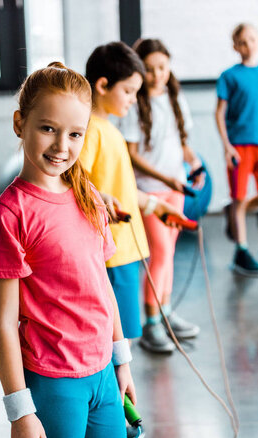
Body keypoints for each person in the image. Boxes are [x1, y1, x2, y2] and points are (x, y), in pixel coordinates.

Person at [0, 62, 137, 438]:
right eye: (48, 128)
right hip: (53, 386)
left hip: (102, 381)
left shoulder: (88, 197)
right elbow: (3, 322)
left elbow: (103, 287)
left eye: (74, 133)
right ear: (20, 122)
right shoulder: (9, 215)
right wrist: (20, 411)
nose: (61, 145)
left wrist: (123, 360)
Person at [80, 40, 186, 360]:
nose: (133, 99)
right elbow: (75, 184)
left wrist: (155, 206)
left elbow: (122, 189)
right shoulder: (90, 131)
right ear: (102, 85)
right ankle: (116, 407)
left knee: (123, 342)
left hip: (126, 249)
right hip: (111, 254)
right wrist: (99, 200)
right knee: (116, 344)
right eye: (128, 91)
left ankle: (119, 400)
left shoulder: (109, 130)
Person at [118, 38, 201, 353]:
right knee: (161, 253)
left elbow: (182, 145)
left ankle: (166, 313)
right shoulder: (134, 105)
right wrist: (164, 177)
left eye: (162, 67)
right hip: (150, 193)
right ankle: (151, 322)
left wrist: (194, 165)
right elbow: (132, 154)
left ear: (169, 66)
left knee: (170, 254)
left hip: (176, 188)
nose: (156, 75)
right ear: (140, 71)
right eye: (149, 69)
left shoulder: (175, 98)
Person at [215, 23, 258, 277]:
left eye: (252, 39)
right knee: (240, 197)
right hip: (240, 146)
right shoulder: (229, 76)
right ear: (235, 46)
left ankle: (233, 212)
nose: (248, 45)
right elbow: (219, 113)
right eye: (242, 41)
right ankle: (241, 250)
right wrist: (227, 146)